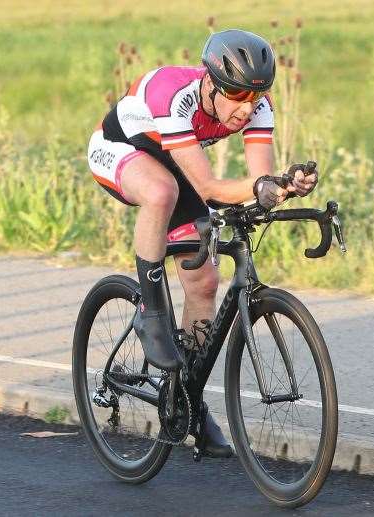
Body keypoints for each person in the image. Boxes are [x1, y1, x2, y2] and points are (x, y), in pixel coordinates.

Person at [87, 29, 318, 457]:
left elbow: (256, 183)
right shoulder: (179, 98)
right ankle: (150, 312)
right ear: (210, 83)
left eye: (255, 96)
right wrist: (262, 186)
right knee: (160, 192)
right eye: (235, 95)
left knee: (205, 282)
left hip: (176, 162)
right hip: (120, 150)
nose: (244, 108)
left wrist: (285, 186)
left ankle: (187, 399)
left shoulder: (256, 108)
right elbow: (210, 186)